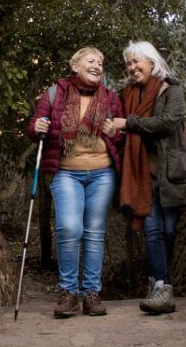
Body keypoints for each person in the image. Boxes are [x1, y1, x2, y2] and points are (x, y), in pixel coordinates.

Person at [103, 41, 186, 315]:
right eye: (129, 64)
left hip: (170, 174)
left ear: (151, 62)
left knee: (169, 231)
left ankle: (159, 281)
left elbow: (168, 121)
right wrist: (114, 130)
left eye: (137, 62)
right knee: (153, 231)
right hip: (140, 174)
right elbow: (115, 122)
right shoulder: (126, 94)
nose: (132, 68)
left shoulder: (171, 89)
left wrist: (129, 123)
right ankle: (162, 284)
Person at [26, 47, 124, 318]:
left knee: (94, 232)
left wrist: (114, 132)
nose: (97, 66)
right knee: (70, 228)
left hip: (102, 173)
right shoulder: (55, 93)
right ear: (76, 65)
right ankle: (68, 292)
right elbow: (35, 127)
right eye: (91, 61)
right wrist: (38, 127)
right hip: (66, 172)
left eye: (101, 63)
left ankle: (91, 294)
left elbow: (120, 138)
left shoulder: (111, 98)